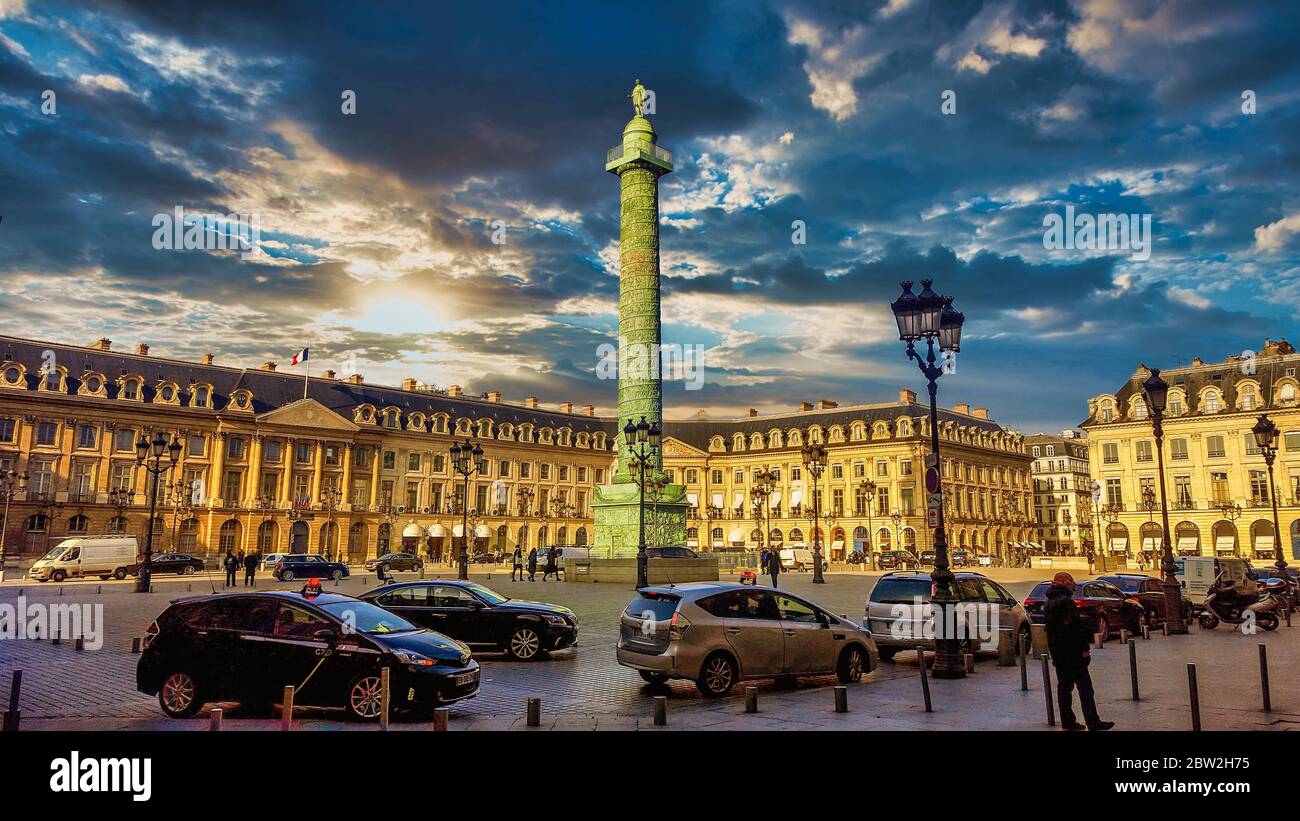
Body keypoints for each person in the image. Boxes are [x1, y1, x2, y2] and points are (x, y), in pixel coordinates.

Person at [1044, 572, 1113, 732]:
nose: (1073, 583)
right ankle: (1093, 722)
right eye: (1070, 580)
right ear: (1061, 582)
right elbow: (1073, 629)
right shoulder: (1066, 602)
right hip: (1073, 654)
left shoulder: (1049, 602)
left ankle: (1068, 721)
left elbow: (1051, 630)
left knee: (1064, 689)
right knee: (1086, 689)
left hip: (1059, 653)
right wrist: (1084, 649)